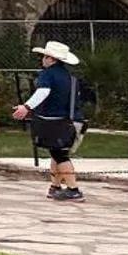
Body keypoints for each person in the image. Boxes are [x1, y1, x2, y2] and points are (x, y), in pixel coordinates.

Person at [12, 40, 86, 201]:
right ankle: (55, 186)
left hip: (57, 121)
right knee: (56, 153)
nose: (42, 59)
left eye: (45, 56)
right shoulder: (68, 76)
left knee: (60, 155)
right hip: (71, 120)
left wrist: (26, 107)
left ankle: (73, 189)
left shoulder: (48, 74)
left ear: (52, 59)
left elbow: (43, 92)